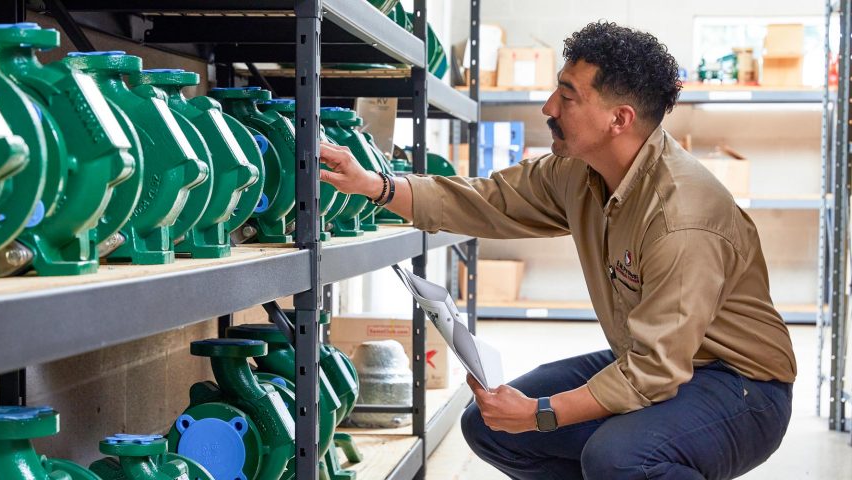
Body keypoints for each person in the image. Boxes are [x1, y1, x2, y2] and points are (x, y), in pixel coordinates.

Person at [318, 20, 796, 480]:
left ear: (619, 119)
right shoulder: (578, 172)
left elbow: (655, 369)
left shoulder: (682, 218)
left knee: (620, 459)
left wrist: (540, 413)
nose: (549, 106)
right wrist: (374, 185)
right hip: (659, 363)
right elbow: (488, 200)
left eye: (568, 96)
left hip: (742, 388)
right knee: (488, 424)